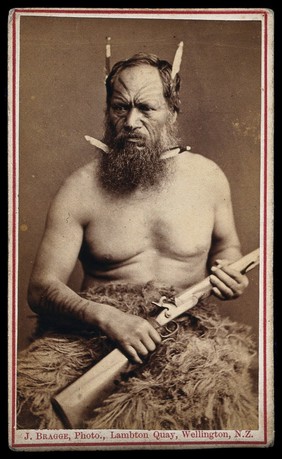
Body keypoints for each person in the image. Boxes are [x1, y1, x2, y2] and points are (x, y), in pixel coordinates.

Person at [18, 51, 257, 431]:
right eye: (119, 108)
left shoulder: (209, 178)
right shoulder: (78, 189)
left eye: (146, 108)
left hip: (188, 337)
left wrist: (229, 272)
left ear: (172, 111)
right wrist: (107, 316)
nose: (130, 122)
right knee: (30, 409)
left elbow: (227, 248)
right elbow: (40, 289)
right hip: (89, 337)